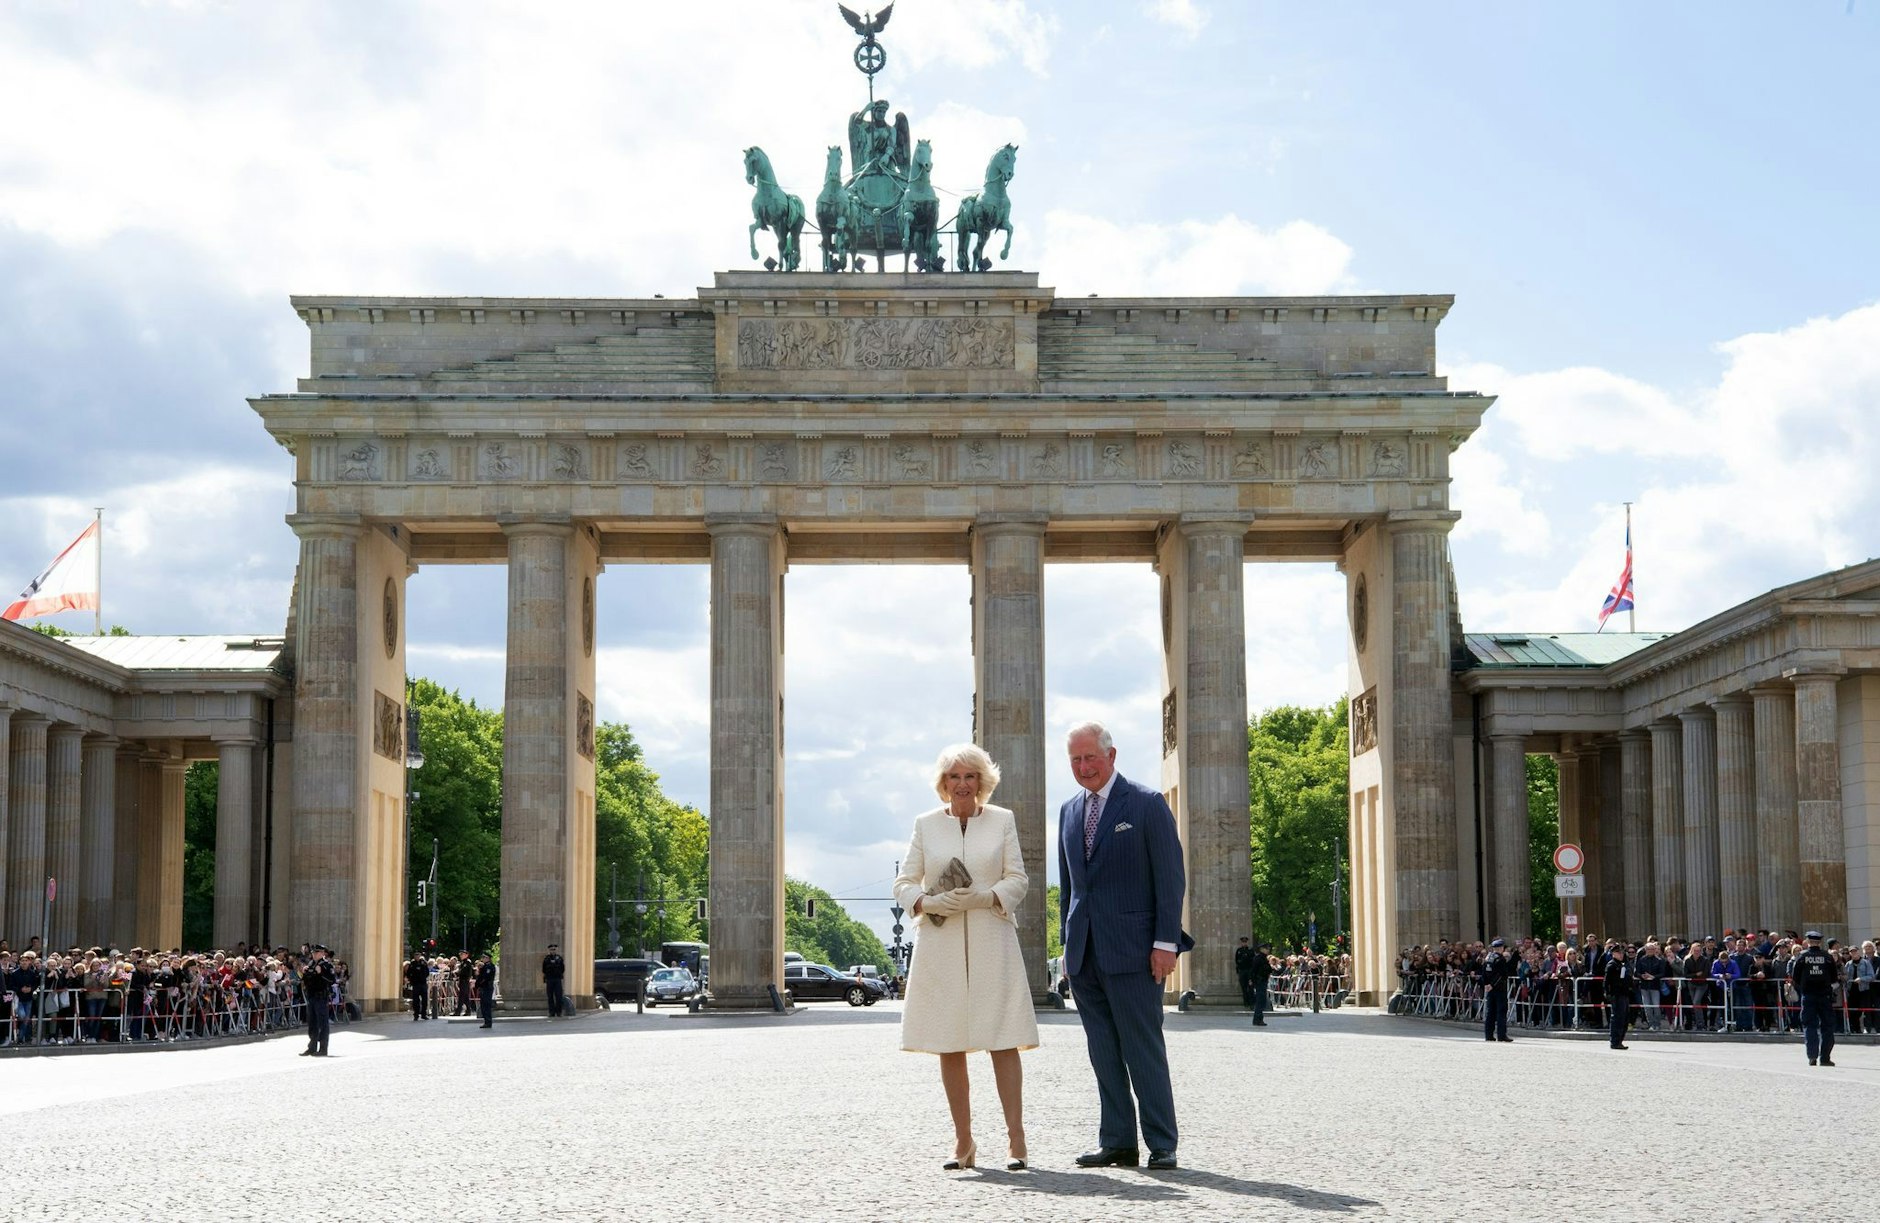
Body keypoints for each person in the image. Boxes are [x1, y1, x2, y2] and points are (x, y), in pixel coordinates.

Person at [894, 743, 1037, 1173]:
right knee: (948, 1043)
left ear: (982, 782)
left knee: (1003, 1038)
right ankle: (963, 1140)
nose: (962, 783)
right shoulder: (925, 825)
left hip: (993, 939)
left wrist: (988, 896)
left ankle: (1016, 1139)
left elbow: (1019, 878)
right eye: (954, 776)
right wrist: (925, 903)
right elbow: (903, 882)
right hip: (941, 945)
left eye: (970, 776)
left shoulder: (1002, 821)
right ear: (943, 783)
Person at [1058, 721, 1191, 1172]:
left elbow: (1171, 880)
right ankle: (1117, 1141)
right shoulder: (1068, 811)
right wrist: (1066, 951)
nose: (1083, 766)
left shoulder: (1147, 803)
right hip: (1085, 954)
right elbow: (1070, 890)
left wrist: (1165, 942)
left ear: (1111, 756)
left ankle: (1161, 1142)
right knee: (1103, 1052)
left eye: (1090, 757)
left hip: (1137, 951)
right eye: (1075, 759)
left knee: (1142, 1047)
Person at [1791, 931, 1839, 1066]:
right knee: (1827, 1027)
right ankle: (1825, 1058)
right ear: (1820, 942)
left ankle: (1812, 1056)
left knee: (1809, 1026)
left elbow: (1795, 978)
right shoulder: (1828, 957)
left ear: (1807, 941)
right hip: (1825, 996)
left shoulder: (1802, 956)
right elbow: (1835, 979)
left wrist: (1803, 990)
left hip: (1808, 996)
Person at [299, 946, 336, 1057]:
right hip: (311, 996)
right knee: (312, 1023)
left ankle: (323, 1049)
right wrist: (304, 973)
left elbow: (331, 980)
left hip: (321, 997)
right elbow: (306, 981)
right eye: (313, 953)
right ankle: (312, 1047)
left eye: (317, 952)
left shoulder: (327, 965)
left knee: (322, 1023)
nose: (314, 954)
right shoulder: (311, 964)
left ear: (322, 953)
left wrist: (321, 973)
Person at [1476, 938, 1513, 1042]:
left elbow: (1483, 973)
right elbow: (1502, 975)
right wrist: (1492, 984)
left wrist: (1486, 984)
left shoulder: (1487, 958)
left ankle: (1489, 1035)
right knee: (1501, 1011)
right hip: (1499, 988)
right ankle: (1501, 1035)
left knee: (1490, 1012)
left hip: (1489, 989)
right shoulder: (1500, 959)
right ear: (1501, 948)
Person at [1604, 941, 1635, 1049]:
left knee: (1625, 1018)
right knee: (1617, 1018)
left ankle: (1620, 1040)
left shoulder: (1624, 964)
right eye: (1618, 953)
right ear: (1613, 954)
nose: (1621, 955)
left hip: (1625, 994)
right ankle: (1615, 1041)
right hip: (1616, 994)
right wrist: (1607, 994)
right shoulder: (1611, 965)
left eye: (1622, 953)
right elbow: (1606, 982)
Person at [1249, 943, 1273, 1027]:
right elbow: (1253, 970)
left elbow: (1268, 969)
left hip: (1263, 981)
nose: (1268, 950)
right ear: (1262, 949)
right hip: (1260, 981)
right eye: (1266, 948)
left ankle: (1259, 1019)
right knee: (1260, 1001)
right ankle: (1257, 1019)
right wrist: (1252, 980)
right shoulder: (1258, 958)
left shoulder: (1263, 958)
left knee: (1262, 1000)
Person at [542, 944, 567, 1018]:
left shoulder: (559, 958)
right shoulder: (546, 959)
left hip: (557, 979)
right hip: (550, 979)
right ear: (549, 950)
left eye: (554, 949)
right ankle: (551, 1012)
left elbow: (562, 968)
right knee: (550, 997)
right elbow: (543, 969)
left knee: (559, 996)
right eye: (551, 949)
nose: (553, 951)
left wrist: (558, 973)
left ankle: (559, 1012)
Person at [404, 952, 430, 1022]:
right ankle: (416, 1015)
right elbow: (409, 973)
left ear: (420, 956)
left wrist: (423, 978)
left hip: (423, 983)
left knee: (424, 1000)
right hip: (416, 984)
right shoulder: (412, 964)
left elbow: (427, 972)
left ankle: (424, 1014)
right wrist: (412, 980)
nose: (417, 957)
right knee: (416, 1001)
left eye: (418, 955)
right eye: (415, 955)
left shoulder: (423, 963)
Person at [475, 954, 496, 1028]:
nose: (482, 959)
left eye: (484, 957)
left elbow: (485, 977)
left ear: (488, 958)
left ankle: (488, 1021)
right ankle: (486, 1021)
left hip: (487, 987)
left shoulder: (489, 966)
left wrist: (479, 984)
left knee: (486, 1005)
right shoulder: (485, 966)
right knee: (483, 1005)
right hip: (484, 987)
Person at [1234, 937, 1255, 1010]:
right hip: (1242, 971)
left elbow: (1252, 961)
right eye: (1243, 942)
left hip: (1249, 971)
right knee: (1244, 988)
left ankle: (1251, 1003)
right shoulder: (1239, 951)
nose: (1244, 943)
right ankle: (1246, 1002)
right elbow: (1237, 961)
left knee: (1250, 988)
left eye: (1245, 942)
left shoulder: (1250, 951)